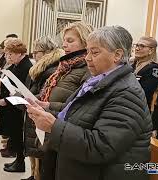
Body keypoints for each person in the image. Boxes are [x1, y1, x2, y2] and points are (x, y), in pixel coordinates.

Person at [26, 26, 152, 180]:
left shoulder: (127, 92)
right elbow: (77, 116)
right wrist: (47, 110)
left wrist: (53, 126)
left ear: (117, 55)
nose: (87, 58)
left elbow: (101, 146)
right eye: (88, 51)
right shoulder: (98, 81)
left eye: (95, 52)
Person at [35, 21, 93, 180]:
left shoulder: (87, 68)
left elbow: (78, 105)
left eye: (70, 40)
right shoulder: (66, 66)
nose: (64, 45)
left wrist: (48, 106)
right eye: (64, 40)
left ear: (85, 41)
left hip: (65, 130)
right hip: (52, 127)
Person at [22, 36, 64, 180]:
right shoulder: (42, 67)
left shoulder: (51, 68)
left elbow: (45, 93)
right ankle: (34, 174)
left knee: (41, 154)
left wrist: (27, 97)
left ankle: (36, 175)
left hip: (45, 111)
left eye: (37, 51)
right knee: (35, 153)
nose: (34, 55)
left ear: (47, 51)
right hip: (37, 108)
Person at [0, 38, 33, 173]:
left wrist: (6, 100)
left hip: (18, 107)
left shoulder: (26, 66)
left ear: (19, 53)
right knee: (15, 135)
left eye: (10, 54)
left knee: (18, 135)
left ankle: (20, 163)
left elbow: (21, 90)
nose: (7, 57)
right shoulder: (17, 65)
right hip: (13, 105)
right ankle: (18, 161)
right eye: (6, 54)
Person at [132, 36, 158, 110]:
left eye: (142, 46)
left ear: (151, 51)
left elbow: (145, 92)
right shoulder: (133, 65)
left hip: (139, 108)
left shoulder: (153, 69)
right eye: (137, 45)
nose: (137, 48)